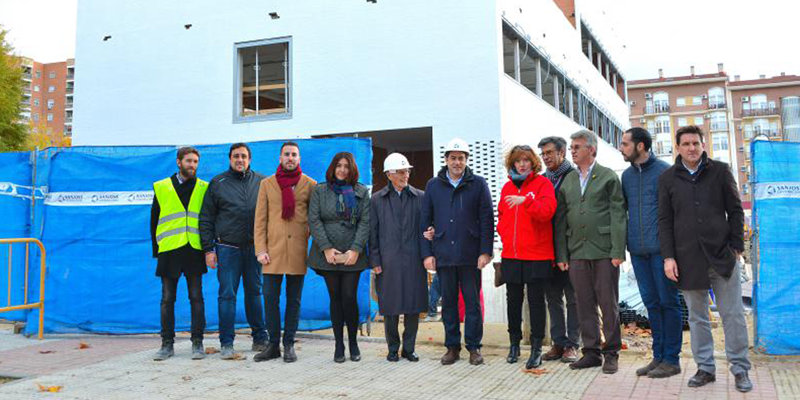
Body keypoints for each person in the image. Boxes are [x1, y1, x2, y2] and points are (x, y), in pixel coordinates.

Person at [658, 125, 752, 393]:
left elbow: (735, 211)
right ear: (678, 147)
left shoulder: (720, 171)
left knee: (732, 314)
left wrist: (736, 247)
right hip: (687, 260)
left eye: (696, 143)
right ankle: (705, 368)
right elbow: (665, 221)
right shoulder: (667, 179)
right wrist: (668, 258)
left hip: (722, 257)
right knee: (698, 317)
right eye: (686, 144)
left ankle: (740, 369)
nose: (691, 148)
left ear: (703, 144)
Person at [555, 129, 626, 374]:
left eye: (576, 147)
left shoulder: (608, 177)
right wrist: (562, 254)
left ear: (591, 150)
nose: (572, 151)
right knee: (583, 303)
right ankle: (591, 352)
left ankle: (611, 352)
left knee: (608, 303)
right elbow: (561, 220)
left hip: (605, 251)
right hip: (577, 251)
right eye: (571, 147)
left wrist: (618, 250)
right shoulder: (569, 180)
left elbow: (618, 215)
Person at [420, 138, 494, 366]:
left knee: (472, 304)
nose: (457, 162)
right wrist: (427, 254)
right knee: (449, 304)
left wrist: (485, 252)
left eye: (461, 158)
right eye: (453, 158)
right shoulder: (433, 185)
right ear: (446, 160)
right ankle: (452, 347)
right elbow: (425, 220)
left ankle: (474, 347)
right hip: (443, 253)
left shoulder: (478, 184)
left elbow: (487, 219)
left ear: (466, 160)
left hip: (471, 254)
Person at [619, 128, 682, 378]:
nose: (622, 148)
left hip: (662, 252)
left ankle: (672, 359)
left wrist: (672, 253)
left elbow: (676, 213)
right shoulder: (626, 176)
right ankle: (658, 357)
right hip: (638, 251)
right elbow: (624, 211)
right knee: (651, 305)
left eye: (625, 144)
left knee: (669, 303)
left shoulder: (666, 171)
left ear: (641, 146)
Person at [199, 143, 268, 359]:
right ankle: (227, 343)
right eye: (236, 156)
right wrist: (208, 249)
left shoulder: (262, 182)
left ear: (250, 159)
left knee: (255, 294)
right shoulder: (218, 183)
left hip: (254, 249)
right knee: (227, 295)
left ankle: (260, 338)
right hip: (227, 248)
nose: (240, 160)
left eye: (244, 156)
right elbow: (206, 218)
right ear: (230, 159)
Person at [252, 141, 317, 363]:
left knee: (294, 300)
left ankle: (288, 344)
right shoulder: (267, 184)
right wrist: (260, 249)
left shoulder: (310, 184)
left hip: (298, 251)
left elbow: (314, 219)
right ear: (280, 158)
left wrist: (308, 239)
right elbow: (260, 220)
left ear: (299, 159)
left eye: (294, 155)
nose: (290, 158)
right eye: (287, 154)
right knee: (270, 299)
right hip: (272, 253)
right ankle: (272, 345)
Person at [496, 145, 557, 369]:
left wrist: (527, 201)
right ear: (512, 164)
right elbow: (501, 217)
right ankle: (514, 345)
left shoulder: (543, 184)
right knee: (513, 301)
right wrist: (504, 235)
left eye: (526, 160)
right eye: (517, 161)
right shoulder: (506, 187)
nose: (522, 164)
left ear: (533, 163)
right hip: (511, 255)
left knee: (536, 302)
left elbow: (547, 212)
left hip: (537, 255)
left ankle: (536, 349)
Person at [308, 152, 371, 363]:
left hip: (353, 255)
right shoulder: (320, 190)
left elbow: (365, 222)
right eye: (338, 166)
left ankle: (353, 343)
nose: (342, 170)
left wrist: (355, 249)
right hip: (328, 255)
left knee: (349, 297)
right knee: (335, 298)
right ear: (333, 168)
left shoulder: (361, 191)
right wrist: (326, 248)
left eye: (346, 166)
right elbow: (314, 220)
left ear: (352, 169)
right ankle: (338, 345)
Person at [150, 147, 209, 361]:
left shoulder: (204, 187)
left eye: (195, 161)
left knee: (196, 298)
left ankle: (197, 343)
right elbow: (154, 220)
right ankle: (167, 344)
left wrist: (208, 247)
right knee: (167, 299)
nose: (192, 165)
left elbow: (207, 220)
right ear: (178, 162)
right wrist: (157, 251)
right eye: (188, 161)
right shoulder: (162, 187)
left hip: (194, 250)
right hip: (170, 251)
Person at [370, 153, 428, 362]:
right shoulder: (377, 200)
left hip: (414, 259)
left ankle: (409, 348)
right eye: (401, 171)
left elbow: (426, 227)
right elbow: (372, 233)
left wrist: (428, 252)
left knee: (413, 306)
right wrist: (375, 261)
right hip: (388, 261)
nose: (406, 175)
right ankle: (393, 348)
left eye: (407, 171)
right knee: (390, 307)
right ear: (389, 174)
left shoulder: (420, 197)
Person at [537, 136, 580, 364]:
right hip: (548, 249)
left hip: (572, 248)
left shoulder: (574, 177)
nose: (546, 157)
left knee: (574, 298)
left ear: (562, 153)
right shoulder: (542, 180)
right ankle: (558, 343)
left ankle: (573, 344)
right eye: (543, 154)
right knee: (552, 298)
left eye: (550, 153)